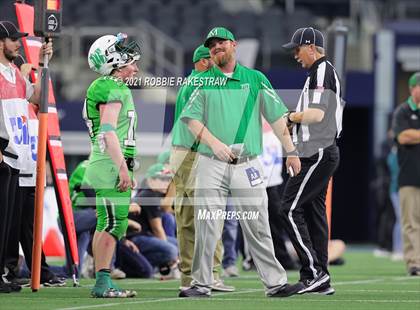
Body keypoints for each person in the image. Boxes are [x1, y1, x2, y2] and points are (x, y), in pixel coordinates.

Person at [179, 27, 302, 298]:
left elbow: (277, 118)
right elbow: (191, 119)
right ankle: (201, 284)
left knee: (258, 224)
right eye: (212, 45)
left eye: (221, 42)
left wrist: (291, 151)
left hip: (248, 163)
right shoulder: (203, 81)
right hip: (211, 161)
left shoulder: (255, 79)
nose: (216, 47)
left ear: (233, 45)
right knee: (207, 223)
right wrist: (215, 144)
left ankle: (276, 283)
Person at [281, 27, 344, 295]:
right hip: (318, 149)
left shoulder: (321, 70)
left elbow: (316, 115)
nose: (296, 55)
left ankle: (313, 273)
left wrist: (290, 116)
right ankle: (321, 277)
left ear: (310, 47)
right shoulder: (318, 72)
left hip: (318, 150)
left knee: (288, 208)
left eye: (297, 49)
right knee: (313, 212)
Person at [170, 44, 233, 291]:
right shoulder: (204, 84)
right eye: (215, 58)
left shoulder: (189, 83)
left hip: (180, 154)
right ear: (205, 62)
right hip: (197, 154)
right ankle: (210, 275)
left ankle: (189, 277)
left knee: (186, 220)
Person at [83, 33, 141, 298]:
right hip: (108, 163)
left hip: (109, 162)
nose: (135, 67)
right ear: (112, 60)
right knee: (110, 224)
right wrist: (121, 167)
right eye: (130, 61)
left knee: (111, 224)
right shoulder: (111, 86)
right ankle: (102, 282)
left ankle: (103, 278)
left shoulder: (110, 86)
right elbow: (107, 130)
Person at [0, 21, 52, 293]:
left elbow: (39, 99)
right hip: (4, 153)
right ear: (0, 42)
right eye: (13, 39)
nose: (18, 43)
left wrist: (43, 65)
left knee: (9, 223)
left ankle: (4, 275)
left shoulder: (15, 74)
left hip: (17, 157)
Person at [128, 163, 179, 279]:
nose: (165, 182)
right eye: (161, 179)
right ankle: (146, 267)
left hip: (143, 236)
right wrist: (174, 257)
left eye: (167, 179)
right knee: (171, 250)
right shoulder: (150, 195)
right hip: (134, 238)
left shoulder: (153, 193)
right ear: (150, 180)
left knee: (178, 244)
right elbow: (157, 229)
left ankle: (156, 267)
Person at [391, 72, 420, 276]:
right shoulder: (402, 111)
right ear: (412, 88)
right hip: (409, 176)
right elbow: (403, 137)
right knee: (410, 222)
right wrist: (411, 136)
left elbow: (411, 136)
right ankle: (414, 263)